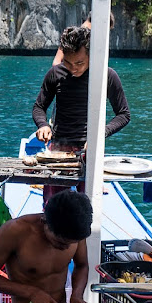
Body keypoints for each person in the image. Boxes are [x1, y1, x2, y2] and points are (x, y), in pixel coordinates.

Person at [33, 25, 130, 203]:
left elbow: (123, 114)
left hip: (90, 152)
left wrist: (99, 135)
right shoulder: (56, 74)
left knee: (88, 209)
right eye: (68, 63)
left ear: (91, 56)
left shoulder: (106, 76)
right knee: (53, 209)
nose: (73, 68)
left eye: (79, 63)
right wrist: (43, 125)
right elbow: (39, 107)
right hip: (57, 152)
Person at [0, 190, 94, 303]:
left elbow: (81, 265)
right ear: (45, 221)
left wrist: (76, 295)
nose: (65, 248)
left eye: (70, 244)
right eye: (59, 242)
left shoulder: (75, 229)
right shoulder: (15, 231)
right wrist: (31, 292)